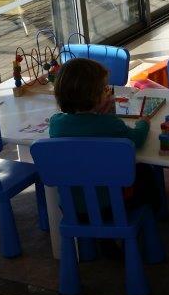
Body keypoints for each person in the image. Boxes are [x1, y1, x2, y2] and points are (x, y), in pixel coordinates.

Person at [49, 57, 160, 217]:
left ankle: (97, 238)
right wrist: (144, 123)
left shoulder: (56, 124)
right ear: (93, 96)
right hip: (111, 207)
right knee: (145, 171)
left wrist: (97, 114)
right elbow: (137, 139)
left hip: (73, 208)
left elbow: (83, 130)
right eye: (104, 89)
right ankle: (156, 213)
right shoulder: (110, 124)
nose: (108, 92)